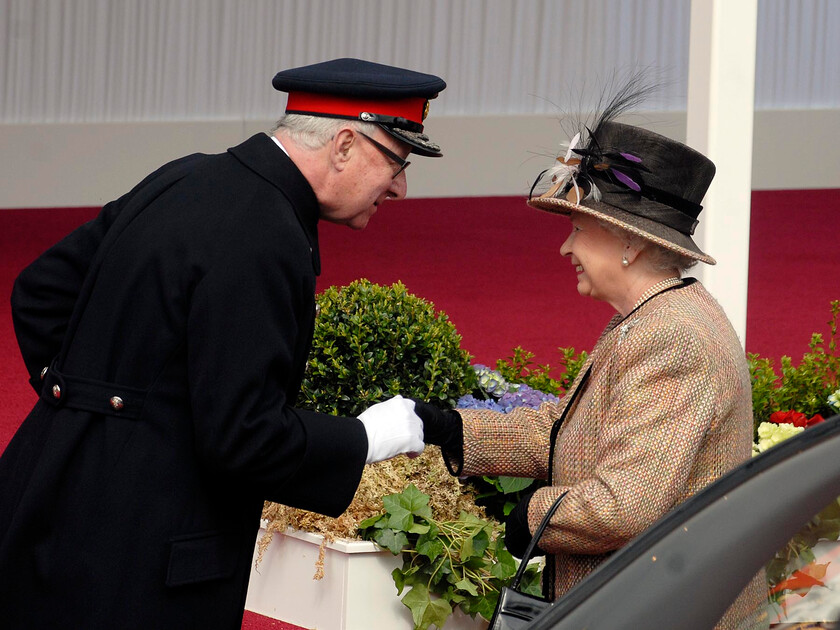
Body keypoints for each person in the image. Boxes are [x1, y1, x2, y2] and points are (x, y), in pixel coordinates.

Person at [0, 58, 445, 629]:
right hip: (141, 561)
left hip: (49, 504)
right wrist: (364, 438)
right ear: (342, 145)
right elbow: (244, 438)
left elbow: (40, 293)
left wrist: (89, 410)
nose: (401, 187)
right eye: (396, 161)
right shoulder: (268, 233)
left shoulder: (185, 176)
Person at [417, 107, 768, 628]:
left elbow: (627, 504)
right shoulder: (653, 315)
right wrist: (454, 432)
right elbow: (569, 434)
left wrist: (532, 515)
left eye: (578, 227)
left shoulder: (672, 335)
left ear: (630, 241)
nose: (565, 246)